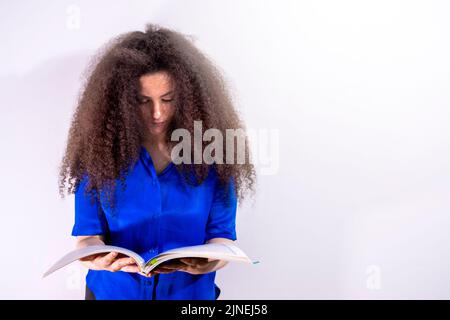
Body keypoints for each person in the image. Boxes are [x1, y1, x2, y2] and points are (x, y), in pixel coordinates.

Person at [58, 23, 256, 300]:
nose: (157, 113)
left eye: (168, 99)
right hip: (113, 293)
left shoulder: (215, 155)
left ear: (188, 97)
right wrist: (97, 259)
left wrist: (210, 262)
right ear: (121, 102)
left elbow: (222, 238)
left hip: (190, 295)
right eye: (142, 101)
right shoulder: (99, 157)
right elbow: (87, 238)